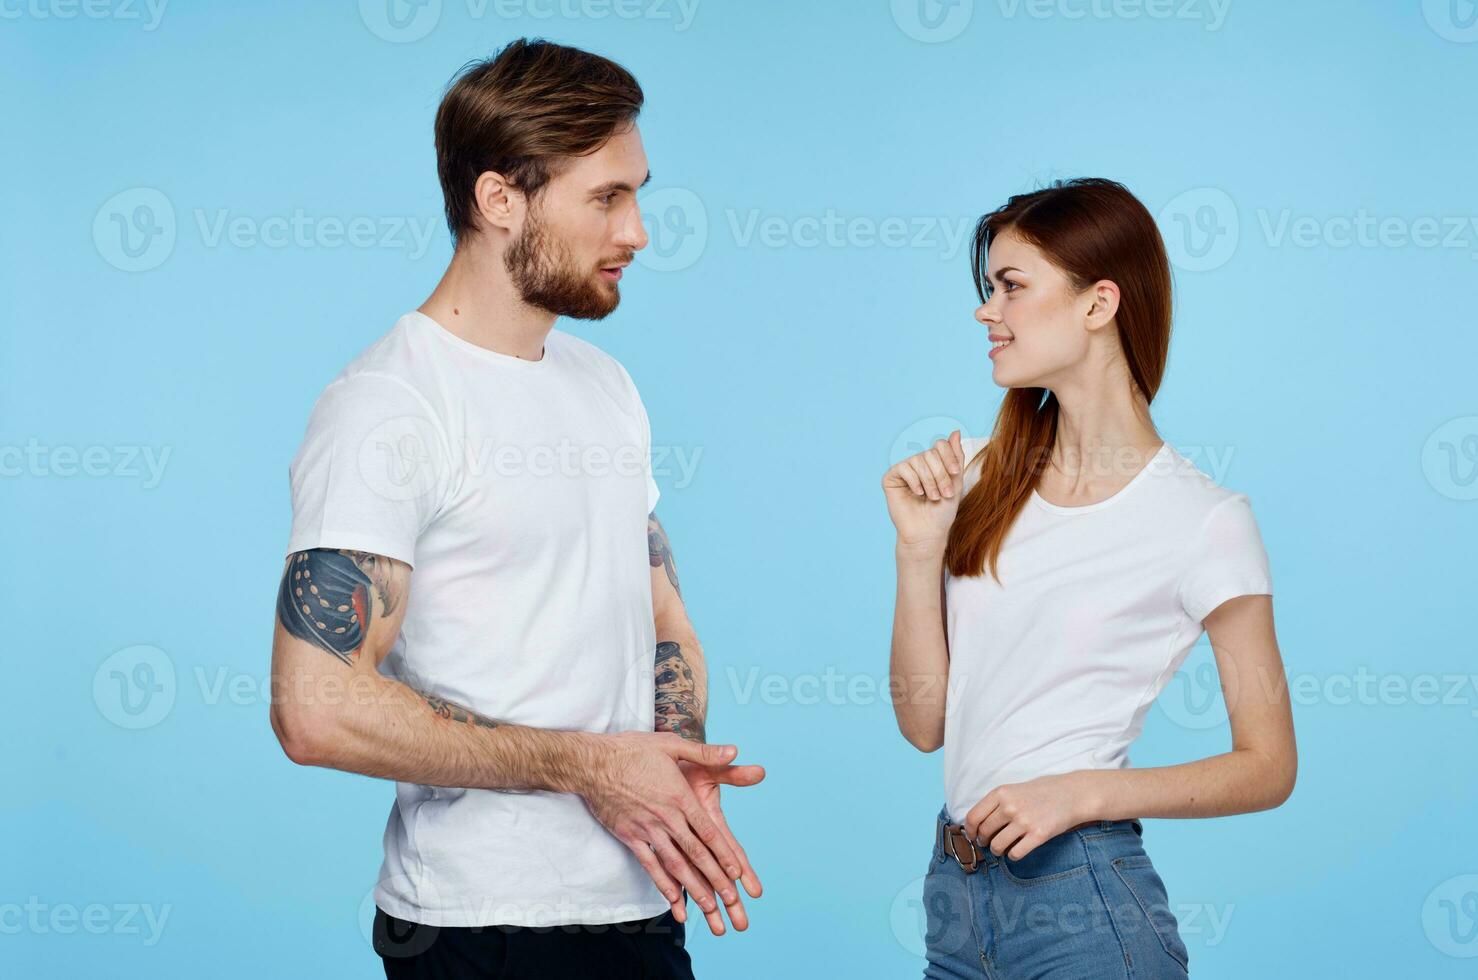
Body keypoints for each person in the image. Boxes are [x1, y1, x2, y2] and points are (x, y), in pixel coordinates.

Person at [269, 38, 762, 979]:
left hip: (636, 906)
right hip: (478, 927)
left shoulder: (605, 385)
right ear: (501, 200)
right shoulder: (387, 407)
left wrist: (669, 771)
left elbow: (664, 621)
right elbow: (315, 706)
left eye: (638, 192)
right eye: (607, 198)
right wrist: (589, 767)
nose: (639, 231)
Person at [883, 178, 1296, 978]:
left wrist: (1081, 793)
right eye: (987, 289)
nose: (985, 311)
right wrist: (916, 550)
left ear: (1098, 304)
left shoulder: (1205, 519)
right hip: (955, 897)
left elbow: (1269, 765)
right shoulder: (972, 476)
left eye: (1010, 287)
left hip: (1083, 899)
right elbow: (925, 724)